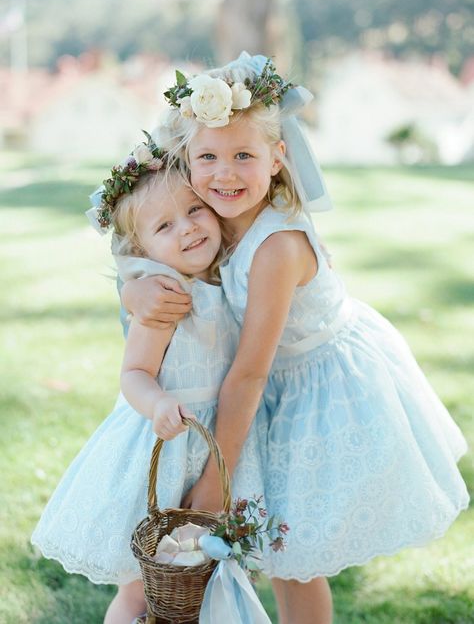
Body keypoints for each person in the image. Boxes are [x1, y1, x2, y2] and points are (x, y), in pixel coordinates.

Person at [123, 53, 470, 624]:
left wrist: (216, 483)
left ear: (278, 159)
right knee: (277, 550)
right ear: (185, 161)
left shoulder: (277, 247)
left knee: (294, 557)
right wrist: (134, 293)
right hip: (263, 388)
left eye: (244, 156)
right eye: (207, 156)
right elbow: (148, 249)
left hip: (316, 389)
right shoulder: (206, 220)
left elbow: (252, 370)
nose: (224, 174)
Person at [31, 136, 265, 624]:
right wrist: (157, 403)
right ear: (143, 250)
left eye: (196, 210)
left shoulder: (227, 279)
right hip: (164, 451)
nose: (188, 229)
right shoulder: (163, 296)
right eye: (165, 225)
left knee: (196, 585)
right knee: (145, 586)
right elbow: (133, 374)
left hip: (212, 448)